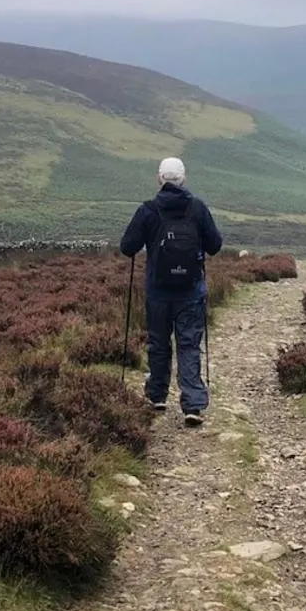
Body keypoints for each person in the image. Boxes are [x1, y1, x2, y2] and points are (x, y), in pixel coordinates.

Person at [120, 156, 223, 427]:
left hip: (158, 291)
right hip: (191, 291)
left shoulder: (148, 210)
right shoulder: (197, 209)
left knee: (159, 343)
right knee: (188, 344)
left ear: (159, 179)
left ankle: (156, 395)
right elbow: (215, 245)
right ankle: (193, 404)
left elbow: (127, 246)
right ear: (183, 179)